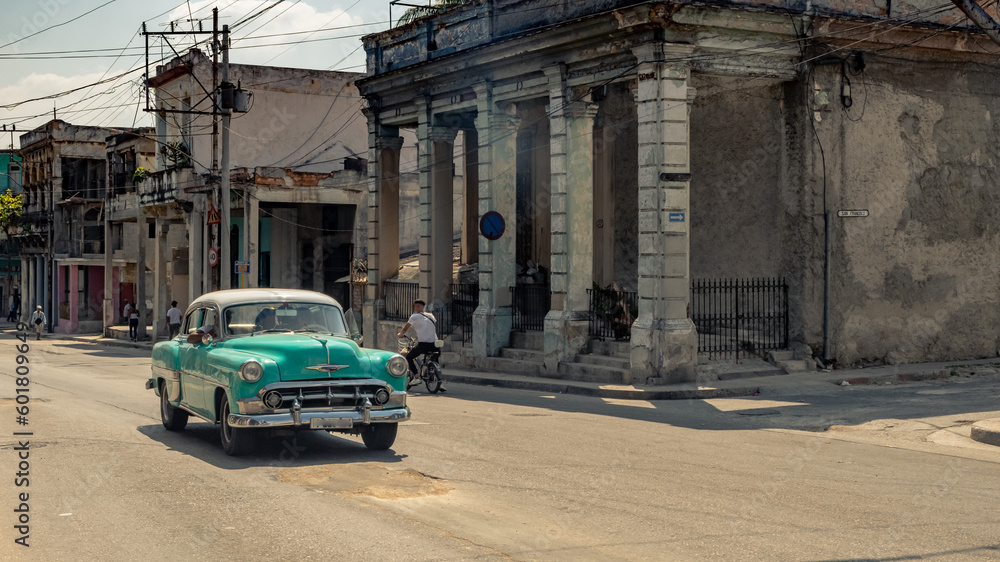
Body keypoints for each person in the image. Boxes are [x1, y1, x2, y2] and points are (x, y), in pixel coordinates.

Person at [397, 299, 438, 378]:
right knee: (434, 356)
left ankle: (416, 375)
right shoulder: (430, 315)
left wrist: (401, 334)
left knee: (409, 357)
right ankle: (436, 376)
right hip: (435, 343)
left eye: (417, 306)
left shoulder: (414, 316)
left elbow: (406, 328)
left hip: (423, 345)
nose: (416, 308)